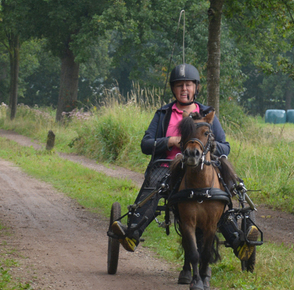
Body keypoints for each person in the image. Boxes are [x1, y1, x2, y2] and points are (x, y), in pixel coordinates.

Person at [109, 63, 259, 253]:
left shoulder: (208, 115)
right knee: (154, 188)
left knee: (224, 192)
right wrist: (170, 141)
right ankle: (132, 233)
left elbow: (225, 147)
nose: (184, 89)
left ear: (196, 87)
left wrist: (208, 145)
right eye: (179, 85)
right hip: (167, 165)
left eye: (188, 85)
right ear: (173, 88)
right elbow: (146, 144)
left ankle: (238, 241)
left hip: (204, 165)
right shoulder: (163, 114)